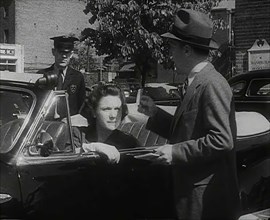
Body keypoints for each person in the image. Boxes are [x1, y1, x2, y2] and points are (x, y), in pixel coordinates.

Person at [138, 9, 240, 220]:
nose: (169, 54)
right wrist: (155, 113)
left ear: (186, 50)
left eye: (172, 47)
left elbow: (222, 140)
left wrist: (175, 152)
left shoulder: (212, 84)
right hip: (191, 196)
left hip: (205, 204)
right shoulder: (198, 82)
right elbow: (189, 131)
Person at [75, 82, 140, 220]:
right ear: (93, 111)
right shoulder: (79, 135)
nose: (113, 115)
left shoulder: (129, 143)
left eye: (117, 109)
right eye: (106, 109)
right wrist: (92, 147)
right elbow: (64, 153)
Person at [37, 35, 86, 117]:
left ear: (71, 54)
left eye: (67, 53)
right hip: (45, 124)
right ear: (53, 52)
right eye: (60, 52)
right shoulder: (42, 75)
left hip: (68, 125)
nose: (63, 56)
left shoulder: (77, 77)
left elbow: (81, 104)